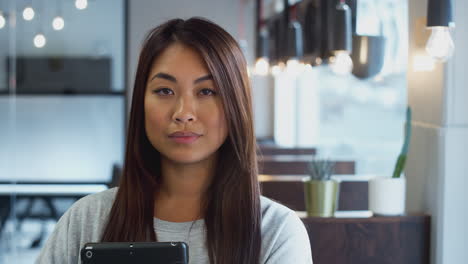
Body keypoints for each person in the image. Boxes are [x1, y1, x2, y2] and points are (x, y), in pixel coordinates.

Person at [36, 17, 312, 264]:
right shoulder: (86, 220)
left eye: (207, 91)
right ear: (141, 103)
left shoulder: (276, 232)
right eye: (164, 90)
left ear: (235, 105)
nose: (183, 113)